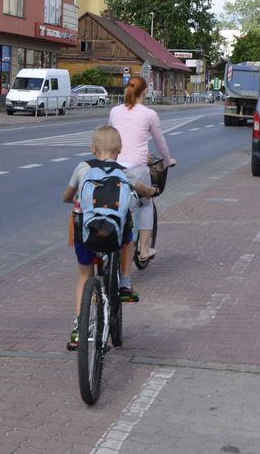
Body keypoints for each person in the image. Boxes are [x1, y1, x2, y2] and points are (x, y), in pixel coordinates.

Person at [61, 125, 157, 350]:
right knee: (129, 230)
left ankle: (78, 328)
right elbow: (143, 190)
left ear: (92, 148)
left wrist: (73, 199)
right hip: (113, 235)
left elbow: (66, 196)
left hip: (86, 234)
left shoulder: (83, 168)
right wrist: (152, 191)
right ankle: (124, 283)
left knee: (85, 274)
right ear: (120, 149)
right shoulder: (124, 172)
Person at [109, 75, 176, 299]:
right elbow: (160, 142)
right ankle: (144, 249)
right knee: (147, 203)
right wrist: (167, 160)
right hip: (137, 169)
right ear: (145, 92)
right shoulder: (149, 114)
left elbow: (113, 137)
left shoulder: (115, 111)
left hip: (115, 167)